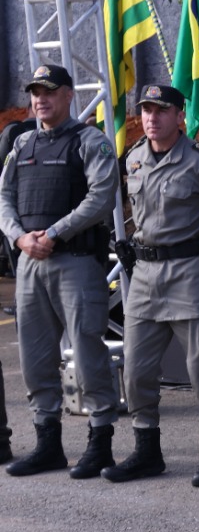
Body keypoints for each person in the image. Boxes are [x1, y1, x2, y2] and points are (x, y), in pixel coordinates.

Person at [104, 84, 199, 486]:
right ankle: (147, 450)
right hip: (146, 279)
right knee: (136, 369)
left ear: (179, 116)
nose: (151, 117)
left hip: (191, 277)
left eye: (161, 110)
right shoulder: (134, 159)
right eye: (146, 110)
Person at [1, 65, 120, 478]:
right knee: (35, 358)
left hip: (76, 263)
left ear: (69, 95)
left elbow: (101, 197)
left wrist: (52, 233)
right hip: (32, 263)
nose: (40, 99)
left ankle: (100, 441)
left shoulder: (89, 141)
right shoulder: (22, 144)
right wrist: (20, 238)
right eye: (35, 92)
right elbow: (5, 196)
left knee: (88, 354)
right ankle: (47, 444)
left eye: (49, 91)